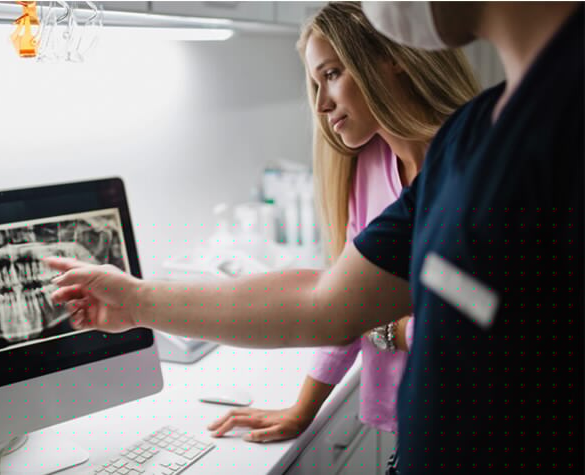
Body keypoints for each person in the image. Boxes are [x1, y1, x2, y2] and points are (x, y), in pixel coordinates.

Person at [45, 2, 582, 473]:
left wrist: (400, 330)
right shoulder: (469, 139)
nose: (323, 103)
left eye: (332, 73)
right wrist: (137, 301)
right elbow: (325, 302)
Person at [205, 2, 480, 446]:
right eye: (315, 83)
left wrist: (391, 328)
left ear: (390, 56)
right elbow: (342, 305)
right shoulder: (370, 166)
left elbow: (478, 315)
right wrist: (302, 410)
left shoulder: (472, 165)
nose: (320, 103)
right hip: (410, 422)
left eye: (331, 74)